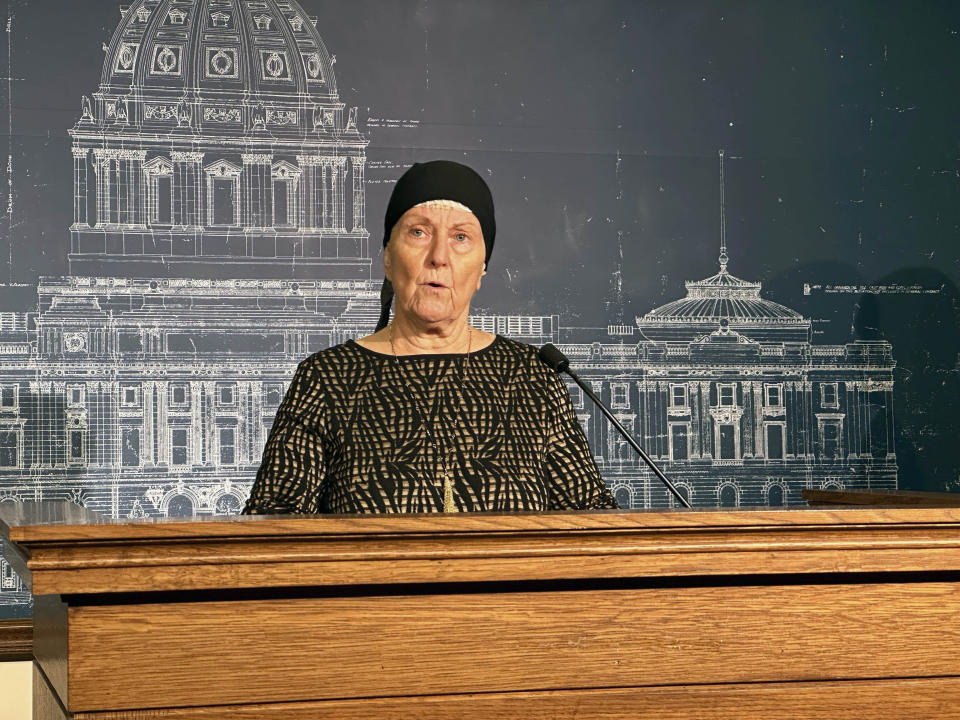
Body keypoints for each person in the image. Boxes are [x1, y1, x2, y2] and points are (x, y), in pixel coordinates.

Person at [243, 160, 618, 514]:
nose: (439, 256)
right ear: (388, 258)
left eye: (460, 237)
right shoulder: (326, 379)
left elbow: (594, 527)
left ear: (482, 268)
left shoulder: (532, 378)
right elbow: (271, 528)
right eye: (418, 232)